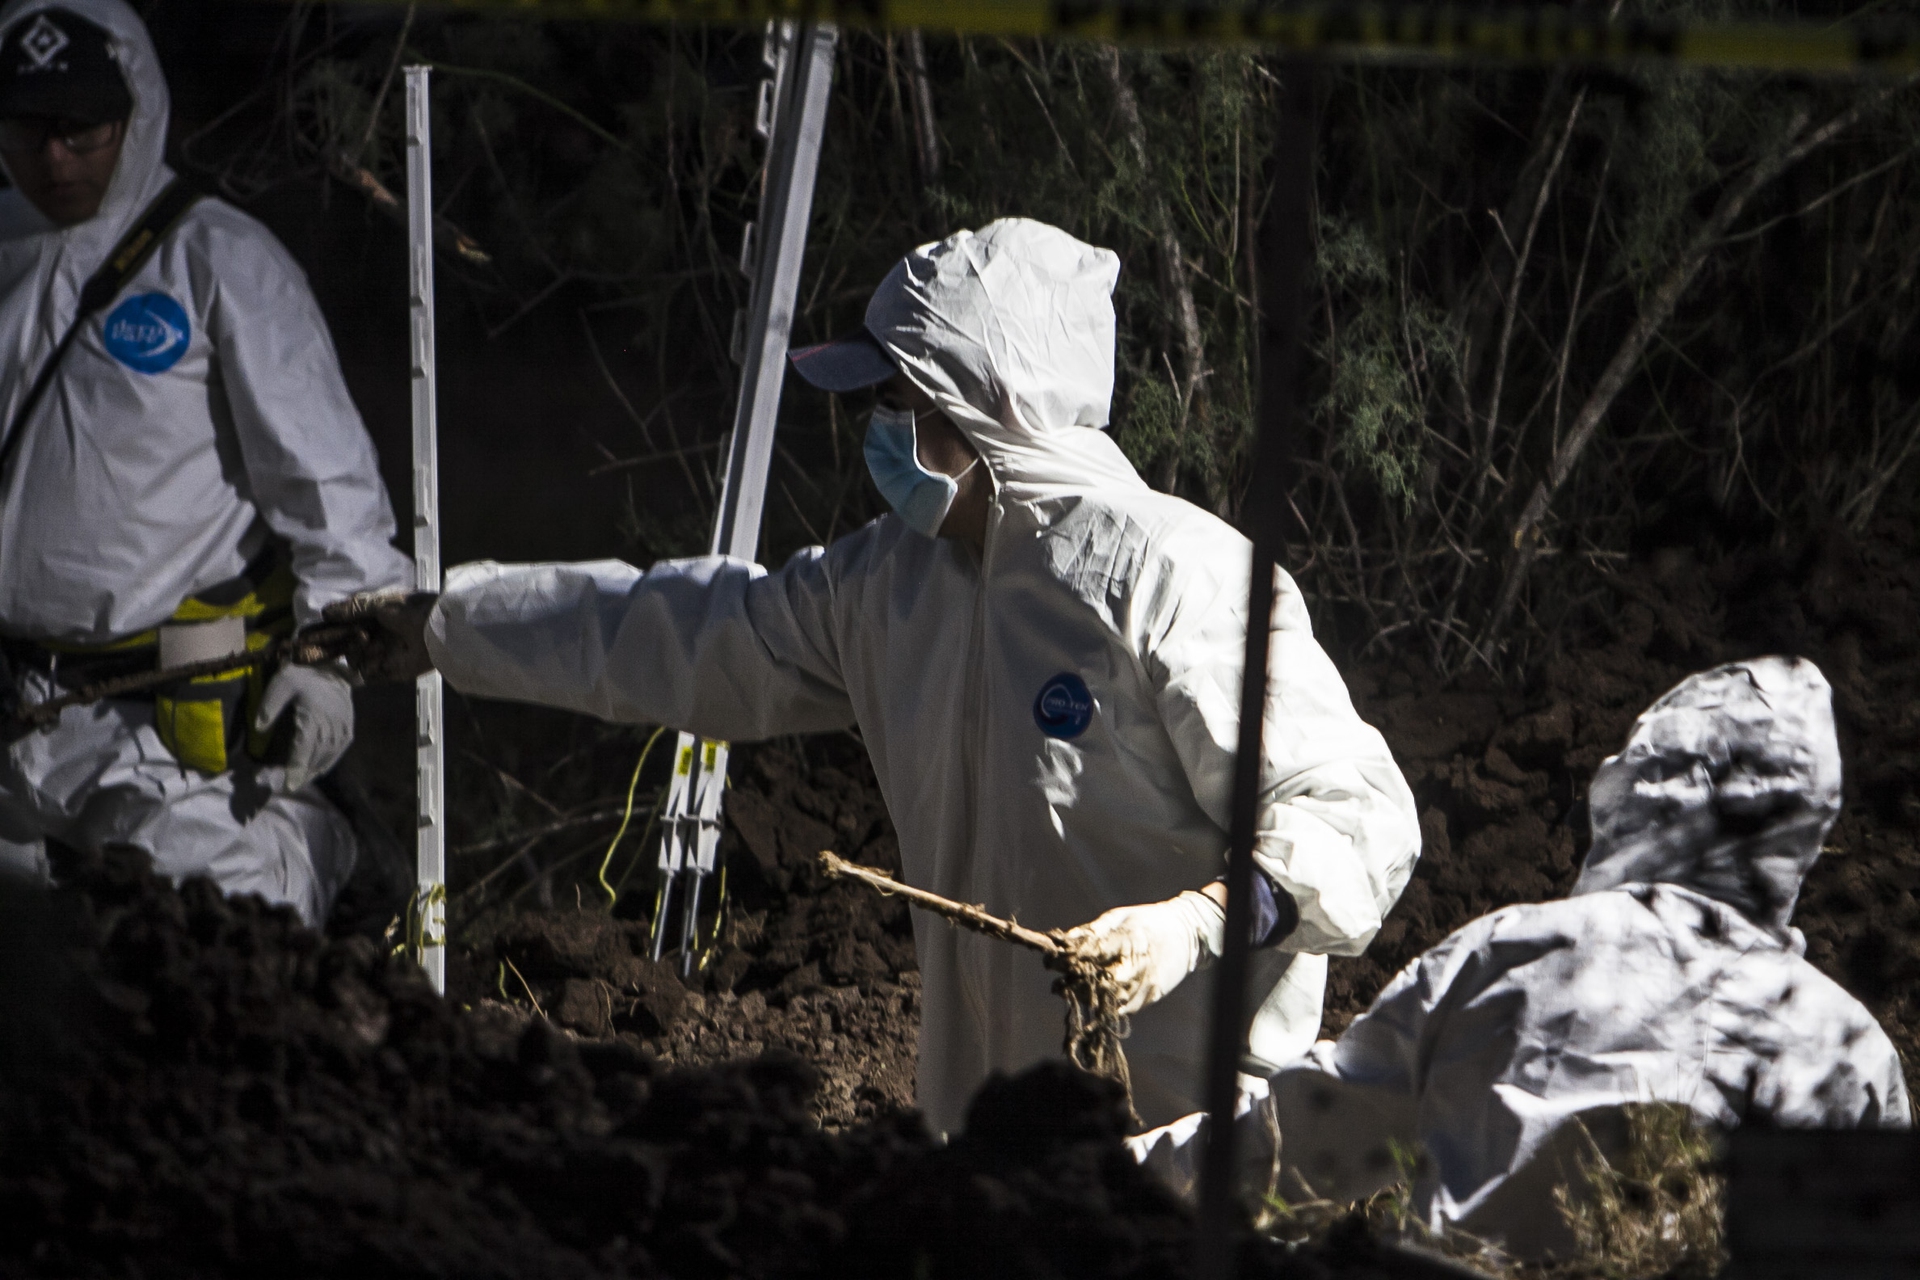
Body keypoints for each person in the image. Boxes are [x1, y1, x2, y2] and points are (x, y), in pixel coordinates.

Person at [367, 218, 1420, 1135]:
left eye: (892, 395)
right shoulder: (889, 587)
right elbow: (682, 630)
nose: (871, 426)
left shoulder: (1172, 572)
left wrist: (1195, 919)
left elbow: (1356, 816)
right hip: (992, 1153)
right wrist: (442, 626)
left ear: (982, 403)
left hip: (1195, 1155)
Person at [1130, 656, 1911, 1257]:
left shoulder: (1526, 954)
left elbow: (1301, 1142)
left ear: (1644, 787)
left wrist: (1110, 1170)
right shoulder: (1852, 1056)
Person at [0, 0, 411, 925]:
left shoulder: (217, 260)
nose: (54, 158)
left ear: (136, 110)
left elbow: (331, 491)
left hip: (158, 720)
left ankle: (310, 844)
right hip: (11, 704)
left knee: (212, 924)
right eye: (29, 129)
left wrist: (333, 658)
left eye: (81, 129)